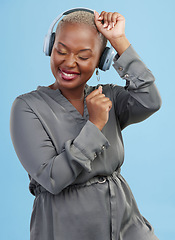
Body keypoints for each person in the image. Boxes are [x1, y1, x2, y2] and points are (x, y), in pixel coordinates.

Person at [10, 8, 161, 240]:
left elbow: (150, 100)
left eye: (83, 56)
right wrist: (95, 124)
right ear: (50, 48)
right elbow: (52, 178)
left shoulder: (108, 97)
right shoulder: (27, 107)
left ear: (102, 60)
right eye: (61, 51)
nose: (69, 63)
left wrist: (118, 40)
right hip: (65, 230)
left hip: (127, 227)